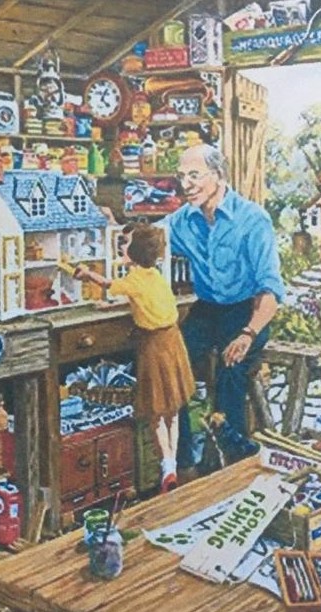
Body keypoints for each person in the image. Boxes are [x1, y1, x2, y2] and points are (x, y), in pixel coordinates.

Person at [164, 144, 284, 474]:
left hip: (247, 311)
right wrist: (116, 226)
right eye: (182, 176)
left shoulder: (252, 219)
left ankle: (232, 466)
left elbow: (270, 291)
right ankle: (183, 464)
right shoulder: (182, 220)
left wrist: (248, 333)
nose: (186, 184)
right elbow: (148, 237)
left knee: (231, 371)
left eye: (194, 175)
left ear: (218, 175)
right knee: (171, 363)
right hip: (207, 311)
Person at [76, 223, 195, 492]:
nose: (122, 247)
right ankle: (172, 462)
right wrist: (117, 304)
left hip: (154, 346)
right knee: (173, 409)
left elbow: (108, 284)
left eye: (126, 243)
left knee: (155, 411)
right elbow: (138, 297)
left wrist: (87, 273)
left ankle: (167, 464)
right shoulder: (154, 276)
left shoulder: (133, 279)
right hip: (173, 341)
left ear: (135, 252)